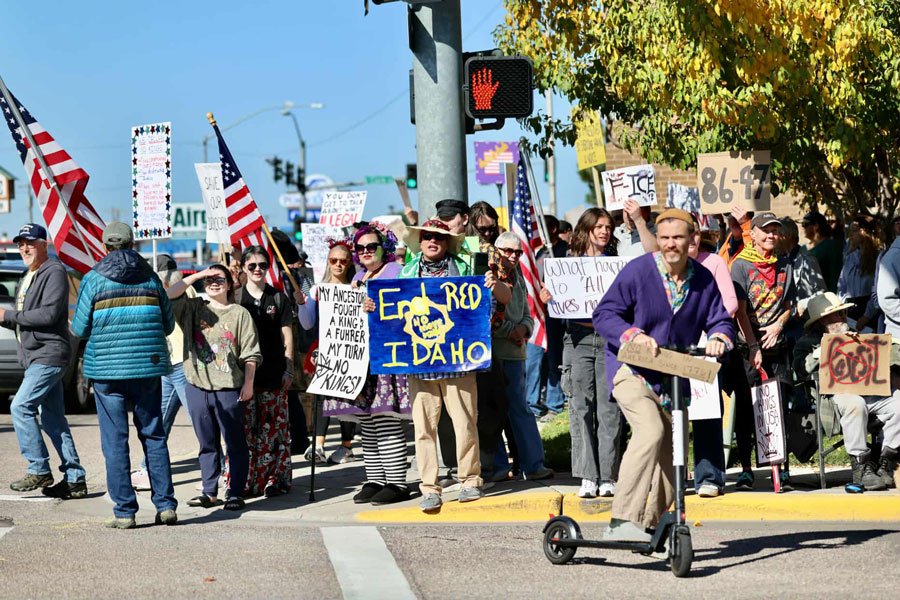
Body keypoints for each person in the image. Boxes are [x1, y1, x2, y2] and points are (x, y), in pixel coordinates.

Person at [594, 208, 734, 541]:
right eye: (665, 238)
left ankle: (648, 524)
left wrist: (718, 337)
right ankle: (621, 520)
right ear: (657, 239)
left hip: (672, 375)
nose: (671, 245)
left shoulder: (702, 278)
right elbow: (605, 314)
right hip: (632, 369)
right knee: (651, 430)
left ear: (692, 240)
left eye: (678, 238)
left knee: (673, 457)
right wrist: (632, 333)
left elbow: (720, 319)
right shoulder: (638, 271)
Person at [71, 222, 177, 528]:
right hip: (146, 367)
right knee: (154, 435)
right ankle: (166, 505)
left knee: (115, 441)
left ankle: (125, 512)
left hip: (106, 372)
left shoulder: (92, 279)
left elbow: (79, 330)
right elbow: (168, 325)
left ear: (105, 246)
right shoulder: (151, 278)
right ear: (133, 246)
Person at [386, 219, 488, 512]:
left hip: (459, 362)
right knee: (423, 428)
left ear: (447, 243)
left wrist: (489, 293)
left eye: (439, 238)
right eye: (428, 237)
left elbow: (482, 308)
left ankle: (470, 480)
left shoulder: (466, 270)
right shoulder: (405, 273)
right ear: (420, 241)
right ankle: (429, 487)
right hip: (420, 366)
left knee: (465, 423)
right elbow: (389, 310)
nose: (433, 242)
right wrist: (374, 306)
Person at [326, 223, 413, 505]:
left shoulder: (395, 272)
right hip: (359, 360)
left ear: (383, 248)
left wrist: (380, 309)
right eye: (360, 248)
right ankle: (375, 478)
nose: (364, 252)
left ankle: (397, 482)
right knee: (367, 422)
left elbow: (406, 309)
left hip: (385, 357)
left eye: (370, 247)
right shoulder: (359, 277)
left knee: (386, 420)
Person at [540, 208, 623, 498]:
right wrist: (548, 299)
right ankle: (588, 475)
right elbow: (555, 304)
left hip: (610, 341)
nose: (604, 232)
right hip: (578, 340)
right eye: (598, 227)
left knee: (609, 408)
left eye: (608, 227)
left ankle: (609, 474)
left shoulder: (617, 265)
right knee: (581, 407)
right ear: (585, 230)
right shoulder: (568, 265)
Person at [166, 264, 261, 512]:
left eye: (220, 278)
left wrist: (249, 383)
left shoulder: (240, 314)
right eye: (210, 279)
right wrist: (197, 276)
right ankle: (210, 491)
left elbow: (251, 353)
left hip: (229, 387)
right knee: (206, 443)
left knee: (235, 442)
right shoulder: (193, 307)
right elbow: (169, 295)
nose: (214, 282)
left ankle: (236, 492)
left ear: (230, 284)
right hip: (197, 385)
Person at [2, 223, 86, 498]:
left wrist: (8, 316)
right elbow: (25, 321)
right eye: (21, 243)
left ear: (44, 244)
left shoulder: (53, 272)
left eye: (30, 242)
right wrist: (7, 320)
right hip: (35, 355)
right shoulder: (30, 274)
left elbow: (48, 315)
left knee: (20, 406)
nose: (25, 248)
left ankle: (39, 469)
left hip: (48, 354)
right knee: (53, 420)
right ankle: (75, 479)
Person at [793, 292, 899, 490]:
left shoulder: (856, 333)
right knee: (854, 403)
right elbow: (802, 367)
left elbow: (889, 352)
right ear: (822, 320)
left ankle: (887, 462)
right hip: (836, 397)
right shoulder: (807, 343)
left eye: (843, 313)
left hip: (869, 392)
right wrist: (835, 345)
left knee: (898, 401)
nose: (843, 317)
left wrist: (865, 345)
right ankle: (861, 467)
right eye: (838, 315)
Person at [731, 212, 796, 491]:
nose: (771, 236)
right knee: (747, 408)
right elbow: (739, 312)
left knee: (777, 407)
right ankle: (746, 469)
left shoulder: (785, 264)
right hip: (748, 346)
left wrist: (779, 326)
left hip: (776, 344)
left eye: (775, 231)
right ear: (753, 234)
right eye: (766, 231)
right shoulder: (741, 266)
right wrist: (754, 345)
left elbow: (790, 303)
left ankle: (781, 468)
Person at [490, 231, 554, 481]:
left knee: (521, 409)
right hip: (493, 353)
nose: (514, 256)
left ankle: (533, 465)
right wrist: (511, 330)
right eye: (508, 251)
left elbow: (527, 311)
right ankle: (496, 467)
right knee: (493, 412)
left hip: (516, 352)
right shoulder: (489, 276)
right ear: (497, 251)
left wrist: (524, 329)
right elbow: (487, 314)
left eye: (518, 252)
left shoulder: (517, 276)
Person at [131, 254, 196, 491]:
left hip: (182, 365)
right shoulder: (174, 291)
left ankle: (218, 468)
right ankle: (149, 469)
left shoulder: (180, 293)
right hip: (168, 365)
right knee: (159, 421)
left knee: (198, 421)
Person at [235, 246, 294, 498]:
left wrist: (289, 369)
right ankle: (247, 481)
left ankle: (276, 479)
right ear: (244, 268)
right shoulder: (236, 298)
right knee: (245, 432)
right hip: (243, 378)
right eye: (252, 265)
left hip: (273, 375)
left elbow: (287, 336)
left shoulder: (278, 298)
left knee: (275, 433)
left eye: (262, 265)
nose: (258, 269)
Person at [687, 217, 737, 498]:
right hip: (671, 349)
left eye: (694, 234)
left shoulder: (713, 263)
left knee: (706, 415)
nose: (690, 240)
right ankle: (673, 476)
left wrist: (713, 332)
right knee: (671, 417)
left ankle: (709, 477)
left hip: (706, 349)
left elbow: (729, 303)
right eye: (685, 235)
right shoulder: (660, 266)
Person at [297, 239, 359, 464]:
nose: (339, 265)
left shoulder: (356, 288)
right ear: (327, 262)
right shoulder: (317, 290)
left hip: (350, 348)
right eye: (334, 260)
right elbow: (307, 323)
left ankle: (346, 446)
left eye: (343, 261)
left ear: (349, 263)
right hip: (326, 347)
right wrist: (301, 304)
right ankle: (318, 445)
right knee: (322, 394)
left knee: (347, 395)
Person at [531, 215, 568, 421]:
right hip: (537, 311)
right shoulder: (535, 251)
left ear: (554, 229)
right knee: (535, 360)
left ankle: (554, 402)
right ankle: (533, 403)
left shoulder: (566, 251)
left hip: (557, 313)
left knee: (555, 358)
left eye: (543, 227)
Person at [778, 217, 826, 322]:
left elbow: (821, 293)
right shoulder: (779, 260)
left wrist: (802, 305)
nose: (773, 238)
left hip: (803, 322)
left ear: (787, 236)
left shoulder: (807, 260)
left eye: (777, 234)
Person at [838, 216, 882, 321]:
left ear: (863, 232)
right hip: (849, 309)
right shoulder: (850, 256)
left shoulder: (878, 256)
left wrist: (867, 315)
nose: (851, 235)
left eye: (854, 231)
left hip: (868, 311)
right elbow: (842, 284)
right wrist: (841, 307)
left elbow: (877, 289)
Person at [802, 212, 842, 293]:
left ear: (816, 226)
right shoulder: (802, 249)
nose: (803, 228)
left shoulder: (830, 246)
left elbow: (835, 274)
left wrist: (832, 296)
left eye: (805, 224)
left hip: (825, 297)